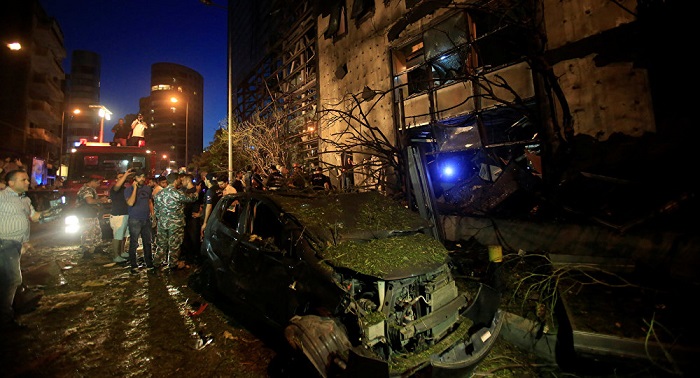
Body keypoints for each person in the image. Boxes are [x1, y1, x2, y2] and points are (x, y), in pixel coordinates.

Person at [0, 170, 54, 330]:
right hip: (5, 243)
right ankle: (5, 320)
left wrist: (50, 213)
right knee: (12, 280)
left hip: (16, 244)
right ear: (11, 183)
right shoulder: (2, 197)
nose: (27, 182)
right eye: (23, 180)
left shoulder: (25, 199)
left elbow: (34, 216)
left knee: (9, 280)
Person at [153, 173, 198, 270]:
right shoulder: (177, 193)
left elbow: (156, 210)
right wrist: (197, 191)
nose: (180, 181)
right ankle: (173, 264)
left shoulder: (159, 194)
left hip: (162, 223)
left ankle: (157, 262)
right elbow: (192, 198)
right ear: (175, 180)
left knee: (161, 244)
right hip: (175, 224)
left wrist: (162, 219)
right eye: (179, 179)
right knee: (174, 244)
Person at [124, 170, 154, 273]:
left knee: (147, 242)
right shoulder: (128, 190)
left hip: (146, 219)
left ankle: (149, 264)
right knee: (134, 243)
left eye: (143, 177)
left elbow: (149, 202)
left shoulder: (147, 188)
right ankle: (134, 265)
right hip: (135, 219)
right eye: (139, 177)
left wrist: (152, 214)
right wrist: (135, 188)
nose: (142, 179)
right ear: (135, 178)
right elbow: (130, 203)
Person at [76, 175, 109, 256]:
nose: (99, 185)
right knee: (88, 232)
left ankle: (97, 247)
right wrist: (101, 200)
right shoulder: (86, 190)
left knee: (97, 231)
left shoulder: (91, 189)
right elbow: (89, 201)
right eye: (97, 183)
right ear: (92, 181)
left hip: (92, 214)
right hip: (86, 215)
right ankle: (86, 251)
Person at [108, 169, 132, 263]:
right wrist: (125, 175)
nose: (123, 179)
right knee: (117, 236)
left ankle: (122, 252)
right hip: (118, 215)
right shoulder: (115, 189)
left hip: (125, 214)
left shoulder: (124, 189)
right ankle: (116, 255)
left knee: (124, 236)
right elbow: (117, 186)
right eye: (120, 177)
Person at [181, 172, 203, 263]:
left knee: (194, 239)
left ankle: (196, 258)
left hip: (193, 219)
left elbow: (203, 204)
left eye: (183, 180)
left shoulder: (196, 190)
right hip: (185, 218)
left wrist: (200, 213)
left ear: (187, 180)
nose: (182, 182)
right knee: (186, 239)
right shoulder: (184, 191)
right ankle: (188, 257)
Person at [200, 173, 221, 239]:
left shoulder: (210, 191)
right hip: (218, 216)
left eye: (205, 179)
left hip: (211, 218)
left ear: (208, 181)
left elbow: (209, 207)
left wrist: (205, 222)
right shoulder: (218, 189)